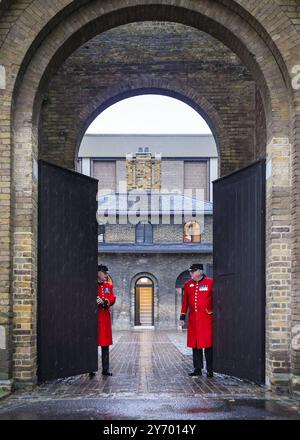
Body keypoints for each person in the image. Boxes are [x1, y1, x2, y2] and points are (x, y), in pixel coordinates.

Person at [179, 263, 214, 377]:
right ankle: (197, 369)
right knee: (196, 345)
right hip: (194, 319)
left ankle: (210, 369)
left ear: (199, 272)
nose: (190, 274)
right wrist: (182, 317)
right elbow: (185, 302)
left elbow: (216, 298)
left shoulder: (210, 282)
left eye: (192, 271)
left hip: (207, 319)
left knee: (208, 345)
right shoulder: (188, 284)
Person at [89, 264, 116, 377]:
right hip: (93, 317)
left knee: (105, 345)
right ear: (98, 273)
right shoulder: (90, 285)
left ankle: (105, 369)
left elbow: (112, 298)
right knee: (92, 343)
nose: (106, 275)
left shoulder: (108, 286)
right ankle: (91, 368)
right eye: (104, 273)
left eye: (107, 273)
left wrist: (105, 302)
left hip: (104, 317)